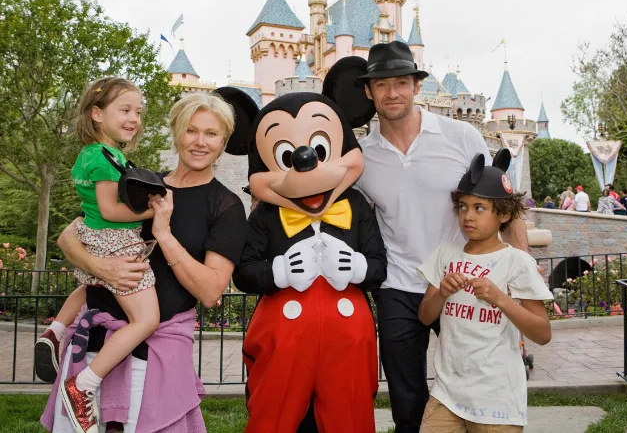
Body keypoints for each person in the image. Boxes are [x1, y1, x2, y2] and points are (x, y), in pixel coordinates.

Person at [350, 41, 530, 433]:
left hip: (461, 280)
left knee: (477, 385)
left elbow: (506, 203)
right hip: (398, 284)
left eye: (401, 82)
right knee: (407, 398)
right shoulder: (362, 157)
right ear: (369, 91)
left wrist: (521, 276)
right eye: (381, 84)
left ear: (416, 87)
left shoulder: (460, 136)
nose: (392, 92)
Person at [41, 92, 247, 433]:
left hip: (151, 359)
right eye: (191, 130)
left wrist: (164, 235)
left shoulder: (224, 205)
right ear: (176, 133)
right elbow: (70, 235)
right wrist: (98, 266)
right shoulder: (142, 183)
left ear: (223, 140)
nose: (199, 142)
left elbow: (211, 291)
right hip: (93, 346)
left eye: (211, 134)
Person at [227, 75, 387, 433]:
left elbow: (379, 266)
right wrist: (279, 272)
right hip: (283, 340)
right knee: (276, 416)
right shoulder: (266, 215)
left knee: (349, 416)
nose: (305, 163)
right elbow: (244, 271)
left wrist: (357, 266)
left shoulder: (357, 207)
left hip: (346, 339)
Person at [34, 77, 162, 432]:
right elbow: (110, 211)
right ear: (96, 114)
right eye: (124, 110)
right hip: (115, 241)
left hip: (94, 239)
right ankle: (84, 385)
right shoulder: (105, 158)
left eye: (137, 111)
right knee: (147, 319)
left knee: (91, 287)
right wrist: (156, 212)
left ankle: (55, 331)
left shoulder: (98, 154)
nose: (133, 118)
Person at [417, 149, 553, 432]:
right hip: (447, 395)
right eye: (463, 206)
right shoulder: (445, 254)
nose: (468, 216)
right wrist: (441, 292)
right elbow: (425, 317)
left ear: (503, 214)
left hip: (497, 400)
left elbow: (542, 333)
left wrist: (499, 298)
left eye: (479, 208)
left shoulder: (516, 262)